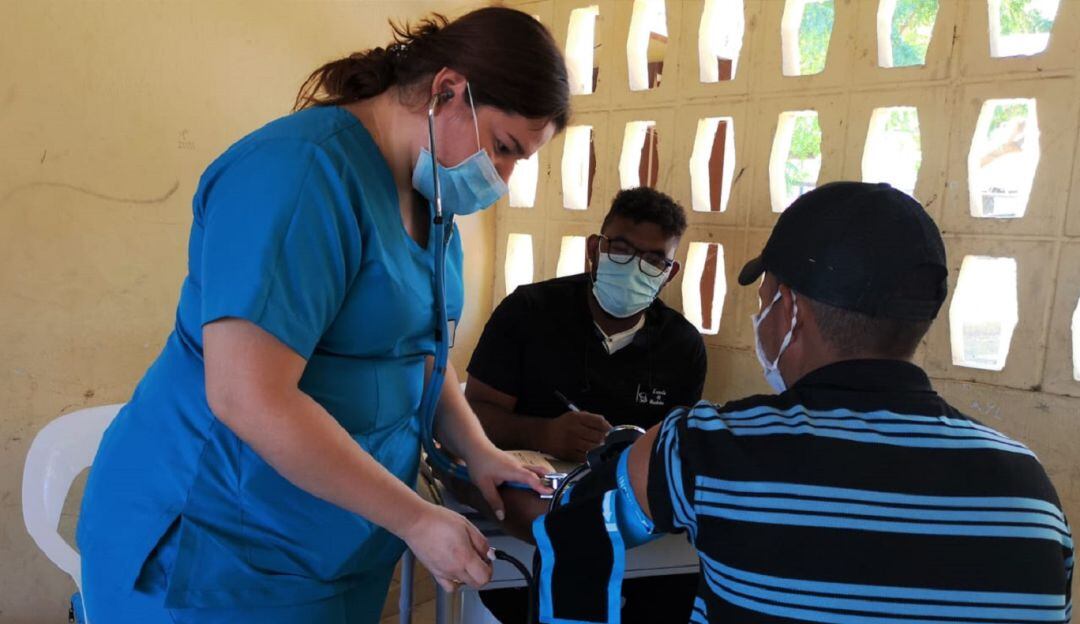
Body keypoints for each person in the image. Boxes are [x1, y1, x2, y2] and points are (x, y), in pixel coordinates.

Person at [75, 8, 570, 623]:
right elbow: (247, 396)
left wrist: (479, 449)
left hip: (332, 548)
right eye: (502, 149)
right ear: (446, 90)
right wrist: (415, 516)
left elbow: (420, 351)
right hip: (214, 549)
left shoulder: (430, 197)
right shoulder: (298, 176)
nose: (501, 179)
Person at [535, 182, 1074, 623]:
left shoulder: (709, 449)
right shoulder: (1032, 497)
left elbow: (578, 517)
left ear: (788, 310)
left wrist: (628, 451)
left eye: (766, 296)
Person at [466, 187, 706, 623]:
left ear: (669, 273)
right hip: (531, 495)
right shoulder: (529, 311)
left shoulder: (681, 345)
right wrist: (544, 433)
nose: (636, 266)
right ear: (595, 249)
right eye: (622, 248)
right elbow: (472, 413)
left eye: (653, 260)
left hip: (630, 507)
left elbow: (675, 448)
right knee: (537, 577)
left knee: (676, 585)